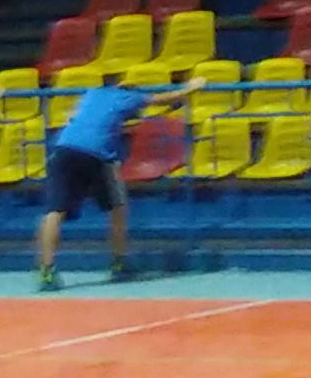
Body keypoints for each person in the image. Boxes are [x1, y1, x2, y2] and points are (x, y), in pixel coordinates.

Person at [30, 73, 200, 292]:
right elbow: (162, 99)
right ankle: (119, 263)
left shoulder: (92, 94)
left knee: (54, 211)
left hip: (63, 150)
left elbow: (99, 122)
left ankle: (46, 271)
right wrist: (191, 88)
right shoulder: (127, 96)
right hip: (96, 155)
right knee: (118, 207)